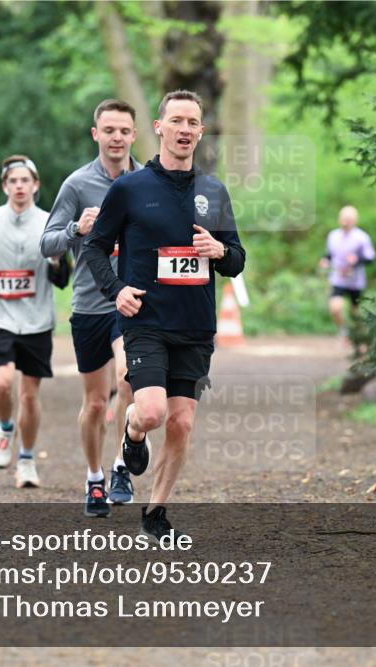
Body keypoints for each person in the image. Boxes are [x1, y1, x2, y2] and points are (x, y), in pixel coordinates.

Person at [81, 90, 246, 538]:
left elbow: (236, 259)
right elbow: (96, 247)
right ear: (159, 128)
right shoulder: (130, 188)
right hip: (146, 320)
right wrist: (116, 291)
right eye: (176, 121)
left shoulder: (213, 190)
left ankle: (155, 514)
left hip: (195, 325)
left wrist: (219, 251)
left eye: (193, 122)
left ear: (201, 131)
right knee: (151, 412)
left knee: (182, 421)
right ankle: (133, 433)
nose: (185, 130)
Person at [41, 99, 143, 518]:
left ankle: (122, 466)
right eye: (109, 130)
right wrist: (75, 228)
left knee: (127, 376)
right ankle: (94, 477)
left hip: (133, 301)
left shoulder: (148, 183)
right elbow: (46, 243)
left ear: (134, 135)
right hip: (88, 305)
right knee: (96, 403)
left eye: (124, 130)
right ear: (96, 134)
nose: (117, 137)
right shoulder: (77, 184)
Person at [0, 155, 60, 489]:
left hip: (36, 319)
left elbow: (63, 277)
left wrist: (56, 261)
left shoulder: (50, 222)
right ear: (4, 186)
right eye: (13, 181)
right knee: (4, 382)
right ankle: (6, 427)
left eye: (26, 181)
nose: (19, 187)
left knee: (31, 396)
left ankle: (27, 459)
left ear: (35, 186)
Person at [318, 206, 376, 342]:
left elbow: (370, 258)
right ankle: (344, 330)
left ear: (355, 220)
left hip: (355, 280)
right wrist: (325, 260)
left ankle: (359, 337)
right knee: (335, 308)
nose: (345, 221)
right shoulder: (333, 235)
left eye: (348, 219)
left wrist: (357, 260)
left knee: (355, 312)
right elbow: (329, 254)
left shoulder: (362, 237)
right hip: (338, 278)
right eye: (343, 218)